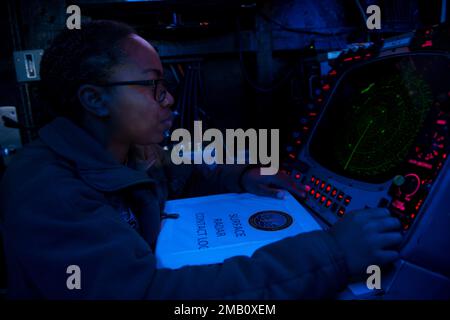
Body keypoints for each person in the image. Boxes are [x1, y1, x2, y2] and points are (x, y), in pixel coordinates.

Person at [0, 20, 403, 299]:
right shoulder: (46, 191)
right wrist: (333, 254)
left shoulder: (123, 153)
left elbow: (177, 169)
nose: (168, 98)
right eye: (152, 84)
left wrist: (243, 176)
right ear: (94, 99)